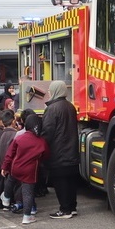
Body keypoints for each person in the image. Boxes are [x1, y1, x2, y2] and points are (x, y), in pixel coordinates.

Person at [1, 115, 49, 225]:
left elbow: (9, 154)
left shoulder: (19, 138)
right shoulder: (41, 141)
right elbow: (46, 155)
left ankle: (6, 198)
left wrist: (5, 167)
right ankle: (27, 217)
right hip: (31, 170)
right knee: (28, 193)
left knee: (10, 180)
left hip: (16, 167)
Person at [42, 81, 79, 219]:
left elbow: (48, 131)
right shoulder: (70, 106)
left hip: (58, 151)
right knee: (71, 181)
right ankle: (72, 207)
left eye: (51, 90)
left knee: (60, 181)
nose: (49, 93)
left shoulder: (52, 109)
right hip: (72, 150)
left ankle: (64, 210)